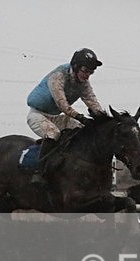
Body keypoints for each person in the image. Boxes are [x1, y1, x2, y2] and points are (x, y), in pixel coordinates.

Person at [26, 48, 106, 181]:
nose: (87, 76)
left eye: (90, 72)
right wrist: (79, 116)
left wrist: (104, 119)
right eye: (85, 71)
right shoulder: (58, 75)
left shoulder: (84, 84)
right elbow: (61, 103)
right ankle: (39, 172)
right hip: (37, 115)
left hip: (56, 117)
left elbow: (92, 102)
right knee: (53, 134)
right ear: (75, 66)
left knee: (82, 129)